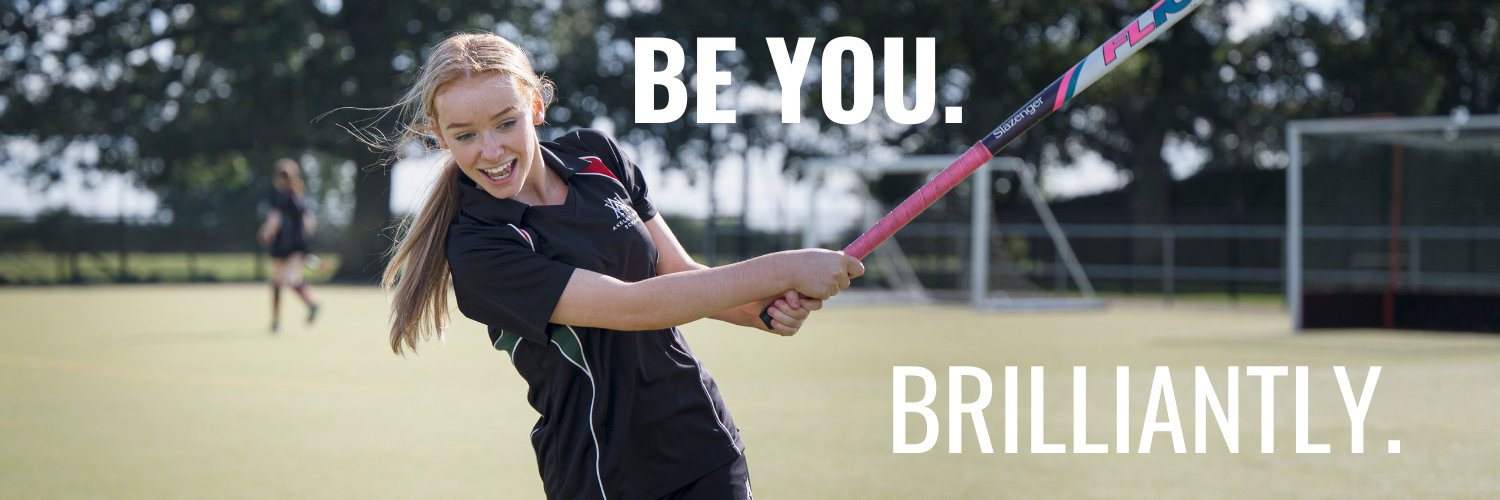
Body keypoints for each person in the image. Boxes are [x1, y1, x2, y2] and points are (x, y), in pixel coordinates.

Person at [376, 33, 864, 499]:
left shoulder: (598, 156)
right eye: (465, 135)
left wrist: (759, 310)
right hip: (602, 473)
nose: (491, 151)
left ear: (536, 107)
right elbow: (631, 306)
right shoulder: (479, 247)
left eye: (506, 123)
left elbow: (675, 274)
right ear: (439, 136)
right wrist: (785, 269)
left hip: (702, 440)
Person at [257, 158, 321, 333]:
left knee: (278, 282)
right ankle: (310, 303)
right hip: (299, 245)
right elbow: (310, 223)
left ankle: (276, 322)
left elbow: (274, 220)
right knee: (292, 279)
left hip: (282, 246)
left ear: (277, 177)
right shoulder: (300, 196)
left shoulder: (279, 197)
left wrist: (266, 233)